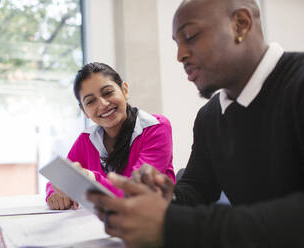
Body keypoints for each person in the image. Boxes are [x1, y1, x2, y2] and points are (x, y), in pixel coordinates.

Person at [87, 0, 304, 247]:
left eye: (190, 36)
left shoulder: (297, 84)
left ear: (240, 24)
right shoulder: (210, 117)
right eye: (177, 43)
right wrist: (165, 196)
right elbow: (198, 189)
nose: (180, 55)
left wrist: (172, 224)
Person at [46, 62, 176, 210]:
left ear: (124, 90)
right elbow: (60, 177)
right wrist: (55, 193)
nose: (102, 104)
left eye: (108, 92)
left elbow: (137, 192)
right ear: (84, 112)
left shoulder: (155, 127)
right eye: (90, 101)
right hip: (104, 226)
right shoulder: (86, 139)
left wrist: (88, 178)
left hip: (155, 222)